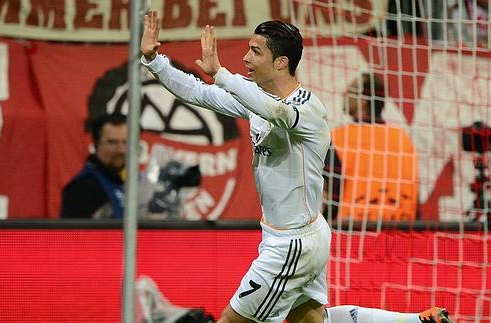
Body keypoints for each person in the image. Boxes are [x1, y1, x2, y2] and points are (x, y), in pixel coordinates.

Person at [140, 9, 452, 323]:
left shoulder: (306, 107)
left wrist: (221, 73)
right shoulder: (257, 100)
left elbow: (278, 113)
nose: (246, 58)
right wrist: (155, 61)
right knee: (315, 321)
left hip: (293, 244)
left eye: (255, 51)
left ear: (281, 62)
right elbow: (198, 92)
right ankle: (417, 321)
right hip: (292, 238)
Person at [324, 72, 419, 222]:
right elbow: (415, 194)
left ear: (363, 99)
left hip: (353, 233)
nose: (345, 94)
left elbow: (330, 195)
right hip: (399, 232)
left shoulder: (339, 138)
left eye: (351, 90)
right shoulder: (403, 138)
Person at [60, 113, 127, 219]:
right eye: (112, 142)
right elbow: (75, 234)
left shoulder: (134, 182)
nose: (121, 150)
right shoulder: (83, 188)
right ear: (96, 144)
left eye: (126, 142)